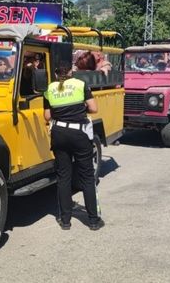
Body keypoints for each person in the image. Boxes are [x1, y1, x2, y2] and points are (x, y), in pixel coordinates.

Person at [43, 61, 104, 231]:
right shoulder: (80, 84)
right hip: (79, 134)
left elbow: (47, 116)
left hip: (59, 134)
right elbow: (94, 108)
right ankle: (93, 220)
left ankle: (65, 221)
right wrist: (81, 107)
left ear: (56, 74)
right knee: (87, 176)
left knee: (64, 177)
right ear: (71, 71)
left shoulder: (49, 89)